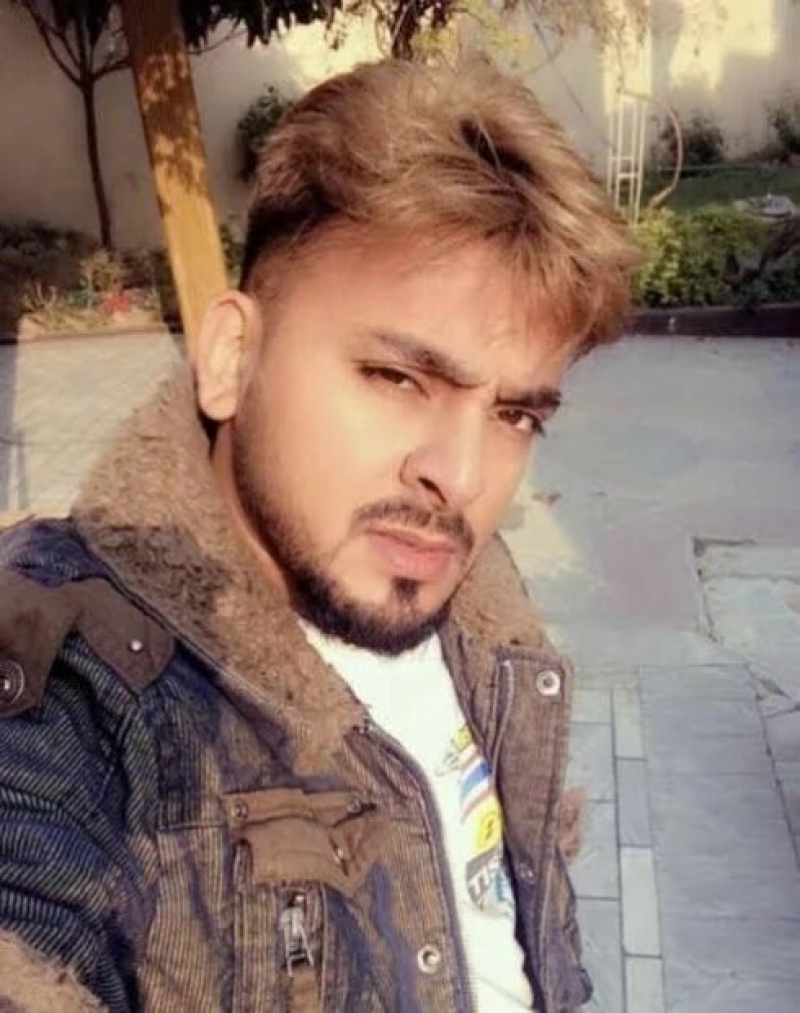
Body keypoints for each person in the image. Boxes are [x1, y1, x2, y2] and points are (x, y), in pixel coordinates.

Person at [0, 57, 634, 1012]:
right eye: (397, 378)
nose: (462, 478)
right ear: (232, 358)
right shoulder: (73, 706)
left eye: (515, 414)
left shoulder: (479, 611)